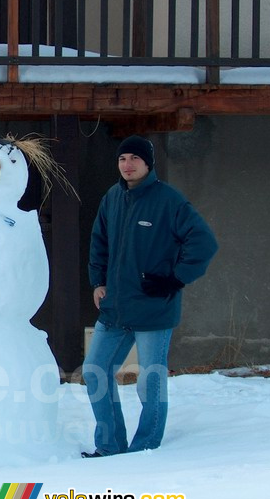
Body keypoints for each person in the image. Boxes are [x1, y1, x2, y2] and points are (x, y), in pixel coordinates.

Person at [82, 135, 218, 457]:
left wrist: (175, 279)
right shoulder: (112, 198)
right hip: (115, 307)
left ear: (148, 163)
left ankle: (145, 448)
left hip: (154, 308)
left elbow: (204, 242)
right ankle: (110, 446)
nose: (127, 165)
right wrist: (97, 282)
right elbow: (99, 243)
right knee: (95, 371)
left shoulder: (168, 201)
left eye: (134, 159)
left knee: (150, 381)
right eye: (122, 159)